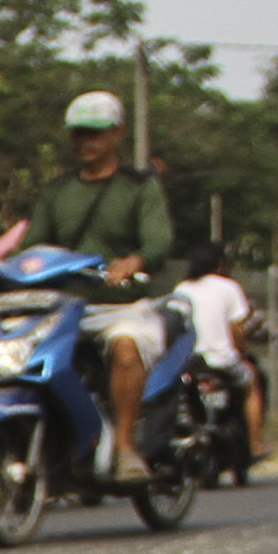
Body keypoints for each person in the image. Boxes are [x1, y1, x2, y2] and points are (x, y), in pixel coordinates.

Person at [25, 90, 175, 473]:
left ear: (117, 133)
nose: (85, 141)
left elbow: (159, 240)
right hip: (64, 308)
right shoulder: (58, 191)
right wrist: (1, 273)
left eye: (95, 132)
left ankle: (125, 447)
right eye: (78, 133)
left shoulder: (140, 187)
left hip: (121, 305)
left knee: (126, 349)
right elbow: (34, 245)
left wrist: (134, 261)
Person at [167, 241, 267, 461]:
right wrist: (240, 353)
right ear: (221, 264)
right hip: (222, 361)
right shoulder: (228, 286)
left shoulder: (182, 288)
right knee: (251, 382)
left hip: (190, 362)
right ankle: (256, 442)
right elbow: (237, 329)